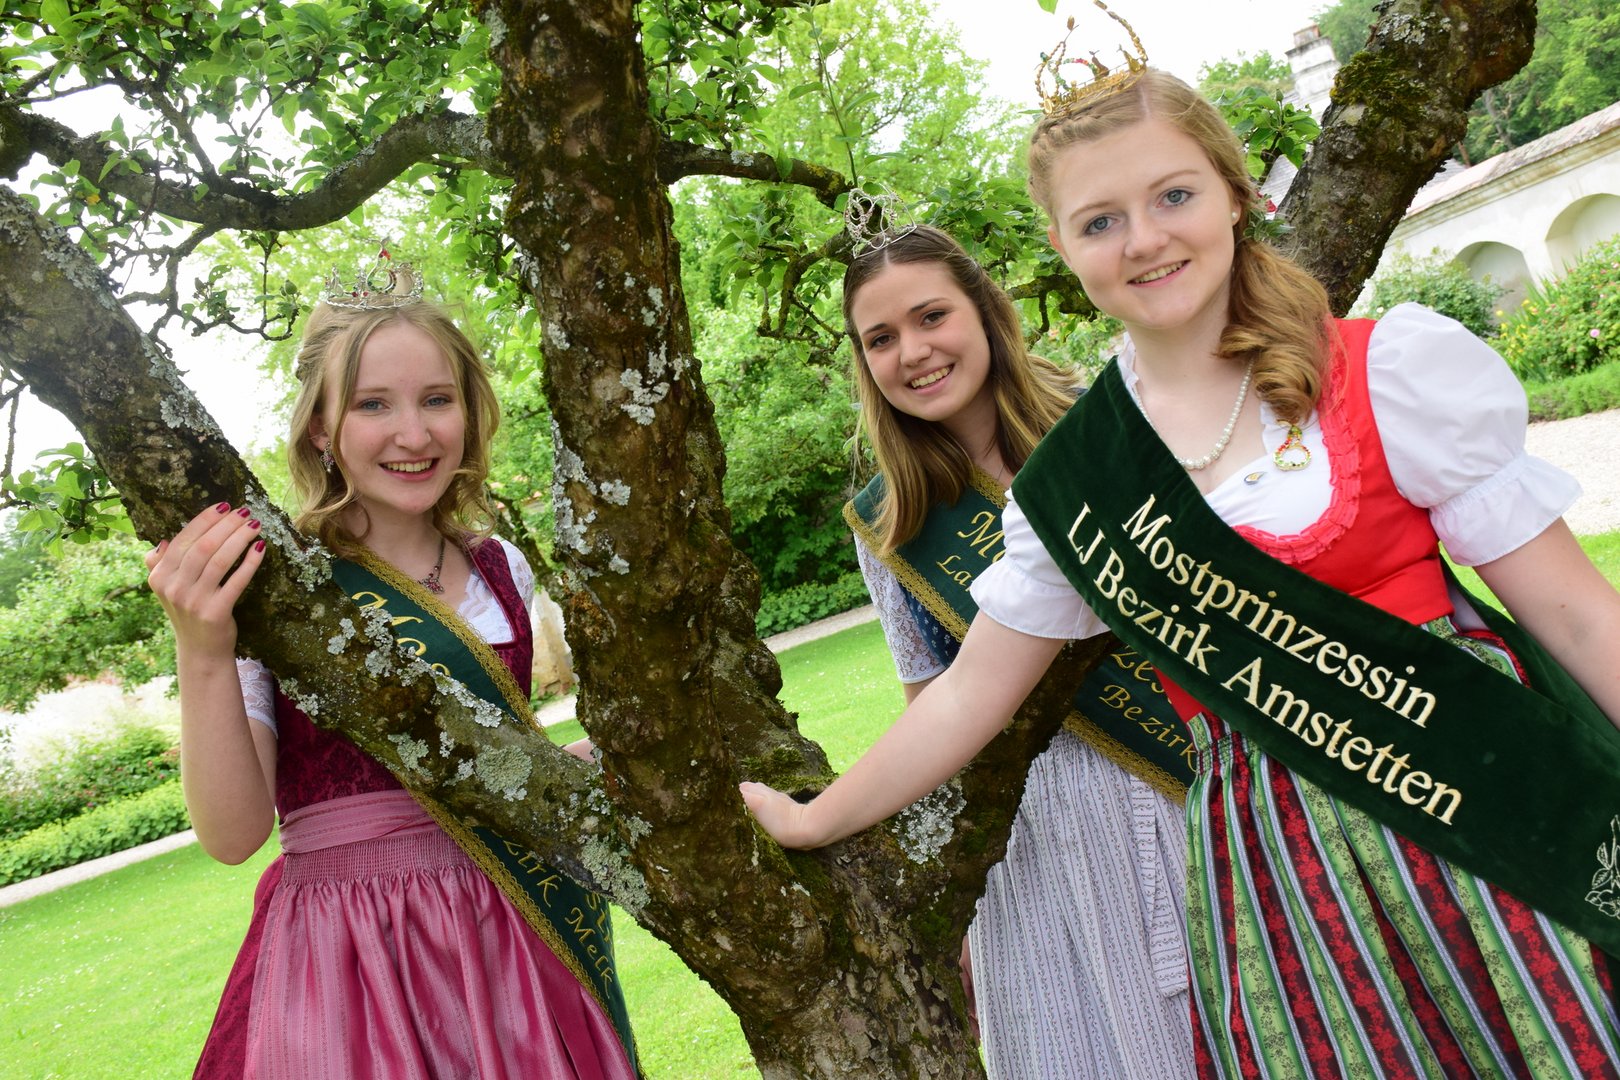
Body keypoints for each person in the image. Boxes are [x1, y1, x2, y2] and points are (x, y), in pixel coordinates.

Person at [744, 65, 1620, 1078]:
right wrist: (812, 815)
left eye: (1173, 195)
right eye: (1100, 221)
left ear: (1236, 195)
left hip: (1490, 801)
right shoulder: (1078, 482)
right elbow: (965, 695)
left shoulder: (1385, 370)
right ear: (1063, 248)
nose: (1144, 239)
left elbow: (1577, 617)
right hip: (1283, 873)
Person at [147, 267, 639, 1080]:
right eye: (373, 404)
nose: (414, 433)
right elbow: (232, 836)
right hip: (353, 952)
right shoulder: (276, 588)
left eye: (437, 399)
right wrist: (202, 649)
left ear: (468, 411)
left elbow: (501, 762)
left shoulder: (502, 570)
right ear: (320, 427)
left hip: (511, 934)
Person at [838, 220, 1195, 1078]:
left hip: (1181, 784)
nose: (912, 352)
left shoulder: (1109, 419)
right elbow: (929, 700)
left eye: (932, 316)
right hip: (1033, 836)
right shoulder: (890, 521)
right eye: (880, 338)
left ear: (985, 311)